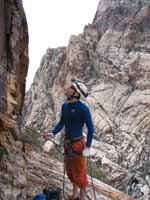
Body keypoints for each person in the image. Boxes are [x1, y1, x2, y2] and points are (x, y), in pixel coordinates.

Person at [43, 79, 94, 200]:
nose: (67, 88)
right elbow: (61, 123)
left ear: (76, 93)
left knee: (80, 173)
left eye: (71, 88)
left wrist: (88, 146)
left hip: (78, 144)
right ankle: (75, 194)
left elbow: (91, 129)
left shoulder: (83, 109)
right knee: (70, 171)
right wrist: (52, 133)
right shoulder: (65, 106)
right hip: (68, 143)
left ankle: (81, 198)